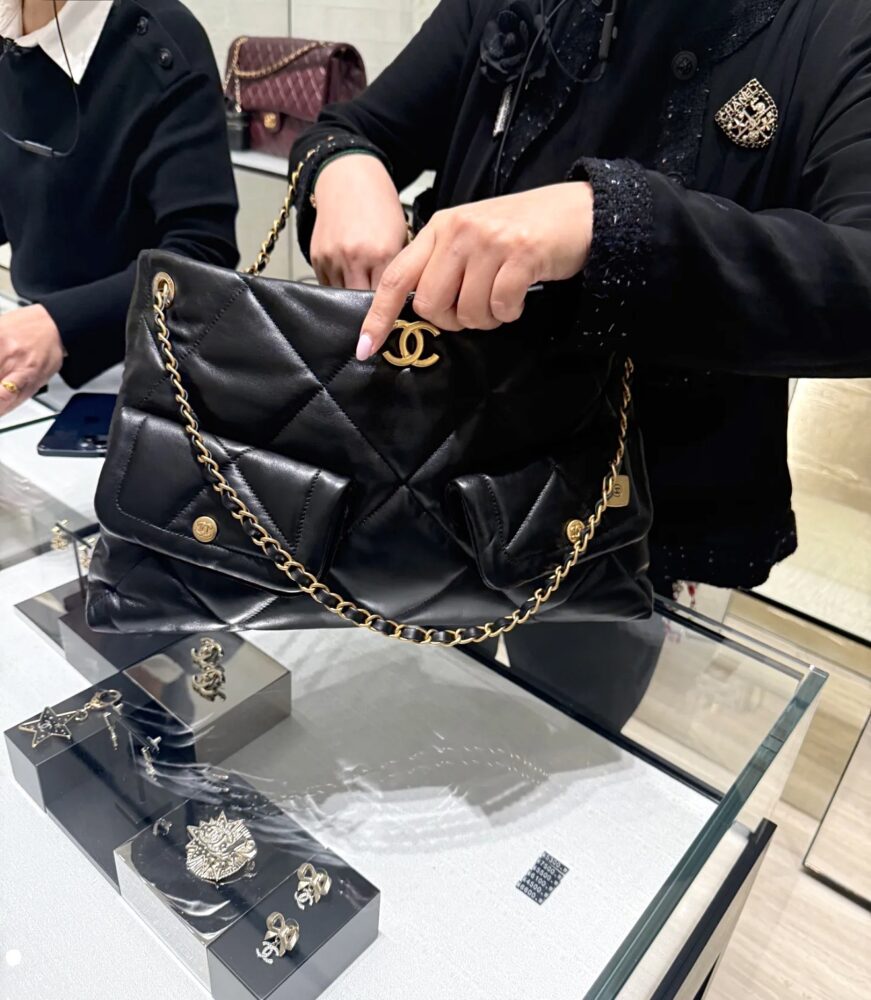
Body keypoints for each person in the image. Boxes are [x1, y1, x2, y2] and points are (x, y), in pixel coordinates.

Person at [288, 0, 871, 602]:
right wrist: (344, 167)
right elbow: (350, 128)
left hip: (636, 529)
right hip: (429, 473)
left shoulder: (831, 23)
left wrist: (612, 222)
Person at [0, 0, 238, 414]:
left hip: (147, 375)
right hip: (32, 363)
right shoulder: (10, 35)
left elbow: (201, 255)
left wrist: (59, 324)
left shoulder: (162, 41)